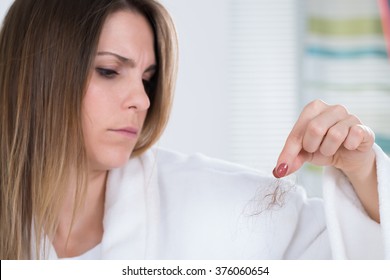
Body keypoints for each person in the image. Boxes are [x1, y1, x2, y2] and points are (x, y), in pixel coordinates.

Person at [0, 0, 389, 260]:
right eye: (109, 70)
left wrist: (362, 171)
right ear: (37, 75)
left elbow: (353, 252)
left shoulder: (228, 207)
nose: (142, 100)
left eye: (148, 78)